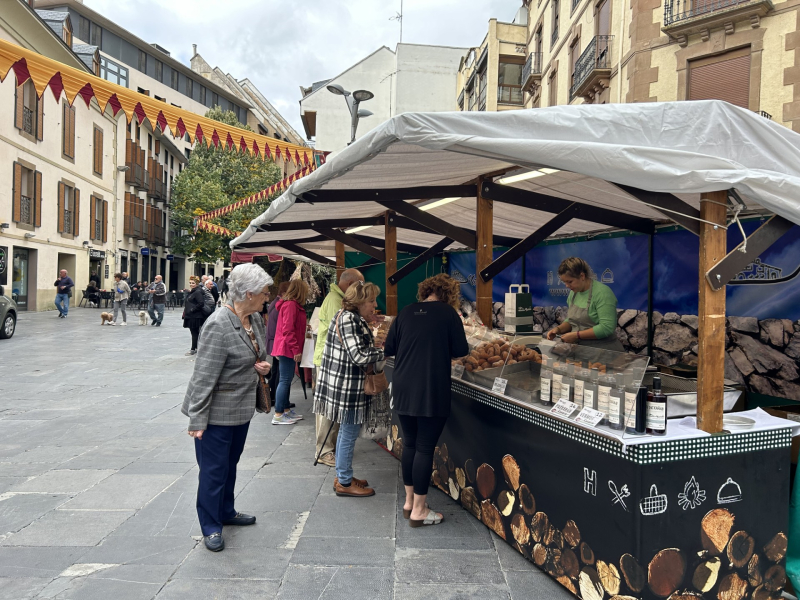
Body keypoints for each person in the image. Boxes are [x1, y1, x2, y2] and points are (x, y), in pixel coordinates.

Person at [182, 263, 272, 552]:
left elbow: (260, 353)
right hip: (215, 413)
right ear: (248, 293)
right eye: (264, 293)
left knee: (229, 465)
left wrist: (265, 366)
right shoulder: (219, 324)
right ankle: (210, 526)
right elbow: (203, 376)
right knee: (213, 471)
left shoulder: (254, 319)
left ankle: (226, 511)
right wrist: (197, 420)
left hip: (241, 409)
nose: (267, 297)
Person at [384, 274, 469, 526]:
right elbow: (461, 350)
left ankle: (410, 502)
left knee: (410, 444)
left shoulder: (406, 311)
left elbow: (390, 347)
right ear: (449, 294)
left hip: (402, 385)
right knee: (423, 447)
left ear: (425, 291)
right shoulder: (448, 314)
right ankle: (420, 511)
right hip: (431, 386)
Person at [314, 282, 386, 497]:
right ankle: (344, 482)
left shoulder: (348, 316)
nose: (374, 304)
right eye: (371, 301)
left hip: (344, 383)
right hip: (347, 386)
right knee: (349, 432)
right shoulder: (349, 319)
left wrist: (370, 324)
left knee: (347, 431)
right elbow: (359, 356)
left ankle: (343, 474)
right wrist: (386, 351)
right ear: (360, 302)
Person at [312, 269, 365, 467]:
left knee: (330, 408)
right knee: (327, 410)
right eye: (359, 284)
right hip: (329, 360)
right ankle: (324, 451)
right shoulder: (336, 299)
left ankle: (329, 448)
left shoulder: (336, 297)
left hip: (330, 359)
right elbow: (344, 330)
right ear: (351, 283)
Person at [545, 257, 624, 351]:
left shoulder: (603, 293)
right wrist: (558, 329)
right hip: (581, 351)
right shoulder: (573, 293)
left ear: (582, 276)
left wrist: (577, 335)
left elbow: (606, 327)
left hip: (604, 352)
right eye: (564, 282)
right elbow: (572, 320)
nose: (567, 286)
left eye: (570, 281)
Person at [271, 280, 309, 425]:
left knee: (286, 379)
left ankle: (285, 410)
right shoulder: (291, 305)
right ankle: (279, 413)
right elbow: (288, 330)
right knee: (285, 380)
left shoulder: (290, 304)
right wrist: (296, 349)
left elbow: (289, 327)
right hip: (287, 348)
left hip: (286, 346)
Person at [265, 281, 290, 400]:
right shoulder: (280, 305)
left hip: (273, 340)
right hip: (276, 341)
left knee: (276, 370)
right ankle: (277, 399)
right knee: (281, 374)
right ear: (285, 292)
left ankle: (273, 396)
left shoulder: (275, 303)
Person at [183, 277, 206, 355]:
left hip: (195, 316)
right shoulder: (193, 291)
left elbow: (201, 303)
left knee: (194, 332)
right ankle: (197, 347)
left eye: (193, 283)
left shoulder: (197, 292)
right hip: (191, 315)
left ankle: (193, 349)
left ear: (196, 283)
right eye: (190, 283)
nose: (191, 284)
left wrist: (192, 310)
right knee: (196, 332)